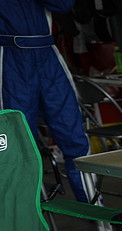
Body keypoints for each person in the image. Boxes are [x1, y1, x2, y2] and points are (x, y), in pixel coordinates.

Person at [0, 0, 90, 202]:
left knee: (74, 136)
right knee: (18, 143)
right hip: (10, 58)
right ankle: (25, 212)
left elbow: (63, 4)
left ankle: (93, 204)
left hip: (47, 53)